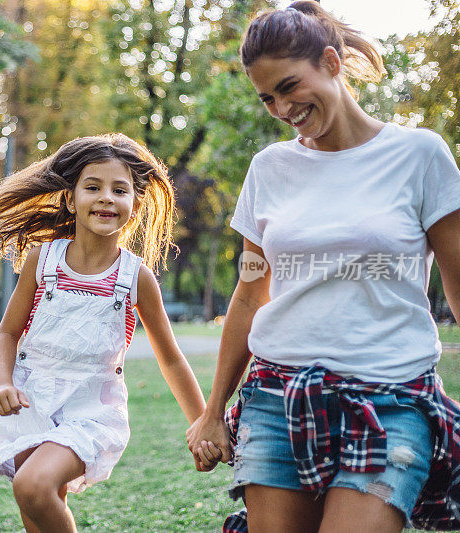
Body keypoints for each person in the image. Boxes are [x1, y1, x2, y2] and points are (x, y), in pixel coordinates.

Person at [185, 2, 460, 532]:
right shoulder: (270, 169)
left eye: (289, 87)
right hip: (276, 398)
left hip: (390, 398)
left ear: (332, 63)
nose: (282, 107)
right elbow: (249, 293)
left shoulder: (420, 155)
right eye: (267, 98)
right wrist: (214, 409)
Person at [0, 133, 208, 531]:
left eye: (119, 190)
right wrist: (2, 384)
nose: (106, 197)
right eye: (93, 187)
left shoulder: (135, 277)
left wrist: (202, 425)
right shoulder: (44, 260)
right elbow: (6, 334)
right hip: (30, 401)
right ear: (71, 199)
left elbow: (171, 358)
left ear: (134, 205)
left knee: (33, 485)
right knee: (36, 504)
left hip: (92, 411)